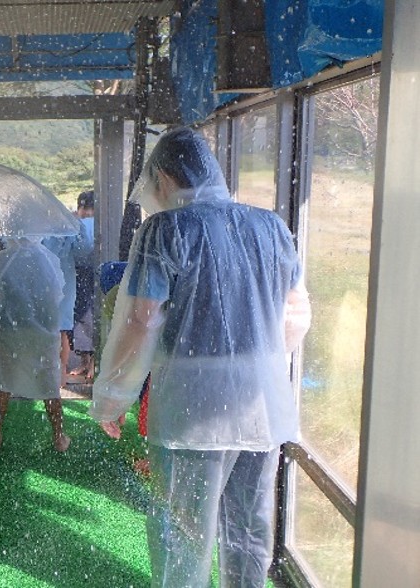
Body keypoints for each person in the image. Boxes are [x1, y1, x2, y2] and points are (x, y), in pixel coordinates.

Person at [91, 126, 312, 587]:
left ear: (164, 178)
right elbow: (296, 314)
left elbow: (140, 321)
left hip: (190, 409)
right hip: (262, 405)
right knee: (248, 528)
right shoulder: (270, 226)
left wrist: (113, 397)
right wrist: (256, 367)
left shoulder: (165, 230)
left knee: (181, 534)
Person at [0, 236, 70, 453]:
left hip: (9, 329)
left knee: (3, 383)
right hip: (43, 332)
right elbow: (57, 296)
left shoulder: (1, 260)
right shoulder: (49, 260)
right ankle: (59, 436)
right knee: (49, 384)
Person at [42, 205, 93, 392]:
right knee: (62, 330)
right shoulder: (69, 228)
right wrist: (78, 226)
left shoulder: (40, 227)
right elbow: (83, 252)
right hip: (64, 283)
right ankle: (60, 373)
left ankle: (49, 372)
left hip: (44, 282)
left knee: (47, 328)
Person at [71, 190, 96, 381]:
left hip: (88, 272)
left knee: (87, 317)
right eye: (83, 208)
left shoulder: (86, 224)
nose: (86, 212)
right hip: (80, 273)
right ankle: (86, 362)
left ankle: (91, 362)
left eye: (89, 208)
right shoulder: (76, 224)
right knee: (82, 317)